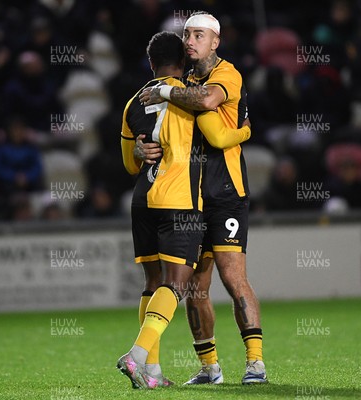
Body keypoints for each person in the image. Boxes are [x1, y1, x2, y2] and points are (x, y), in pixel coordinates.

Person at [138, 11, 268, 385]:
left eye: (199, 35)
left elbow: (210, 100)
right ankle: (210, 367)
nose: (190, 40)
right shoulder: (185, 80)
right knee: (195, 285)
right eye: (187, 34)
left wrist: (164, 90)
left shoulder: (226, 74)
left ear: (215, 42)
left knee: (232, 276)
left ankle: (255, 363)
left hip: (226, 193)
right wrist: (140, 153)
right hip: (189, 197)